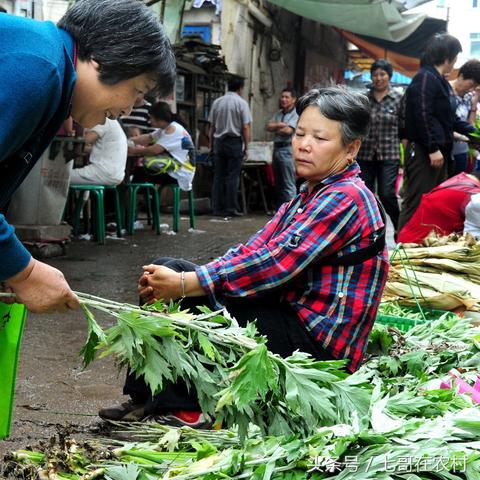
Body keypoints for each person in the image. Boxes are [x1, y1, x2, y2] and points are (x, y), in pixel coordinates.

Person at [99, 86, 389, 426]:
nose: (304, 145)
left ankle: (184, 408)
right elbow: (253, 249)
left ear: (351, 148)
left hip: (319, 345)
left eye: (320, 138)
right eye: (299, 134)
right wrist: (184, 278)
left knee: (190, 292)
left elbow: (275, 264)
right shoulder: (308, 195)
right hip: (289, 314)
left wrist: (190, 284)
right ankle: (148, 394)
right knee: (165, 271)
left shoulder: (346, 197)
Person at [0, 0, 175, 313]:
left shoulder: (55, 75)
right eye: (138, 90)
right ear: (104, 60)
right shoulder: (40, 67)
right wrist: (23, 270)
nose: (131, 108)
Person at [398, 33, 475, 231]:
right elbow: (421, 113)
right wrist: (432, 148)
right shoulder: (425, 77)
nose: (454, 63)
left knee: (433, 202)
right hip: (426, 153)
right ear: (448, 58)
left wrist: (473, 133)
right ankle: (402, 249)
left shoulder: (438, 79)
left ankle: (420, 246)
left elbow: (449, 118)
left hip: (439, 153)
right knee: (416, 201)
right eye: (455, 58)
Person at [356, 59, 403, 233]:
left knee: (387, 193)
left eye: (382, 74)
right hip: (365, 154)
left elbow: (404, 128)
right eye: (375, 74)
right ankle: (372, 230)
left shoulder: (398, 98)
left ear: (389, 76)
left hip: (389, 153)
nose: (378, 78)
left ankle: (399, 227)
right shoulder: (363, 99)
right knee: (366, 195)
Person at [127, 102, 196, 192]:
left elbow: (154, 150)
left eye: (151, 118)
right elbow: (148, 138)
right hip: (179, 171)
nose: (149, 121)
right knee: (143, 172)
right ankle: (149, 201)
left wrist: (132, 151)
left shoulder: (172, 130)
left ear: (158, 118)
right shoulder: (167, 128)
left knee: (140, 172)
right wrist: (127, 140)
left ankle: (146, 202)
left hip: (180, 174)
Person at [209, 76, 252, 217]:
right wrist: (246, 147)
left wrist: (211, 146)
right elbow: (245, 127)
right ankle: (230, 208)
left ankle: (216, 208)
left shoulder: (217, 102)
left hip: (219, 142)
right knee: (233, 177)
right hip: (234, 142)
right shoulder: (241, 103)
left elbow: (212, 127)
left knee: (218, 176)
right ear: (240, 88)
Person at [397, 172, 480, 243]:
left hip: (410, 240)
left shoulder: (464, 179)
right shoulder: (475, 198)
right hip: (419, 248)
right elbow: (474, 238)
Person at [266, 88, 299, 207]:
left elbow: (288, 131)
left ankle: (292, 212)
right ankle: (281, 212)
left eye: (287, 97)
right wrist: (280, 125)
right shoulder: (279, 114)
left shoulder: (296, 114)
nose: (283, 99)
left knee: (288, 183)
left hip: (288, 150)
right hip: (277, 149)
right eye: (282, 97)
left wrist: (276, 128)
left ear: (293, 100)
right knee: (278, 184)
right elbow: (268, 126)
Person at [70, 119, 127, 186]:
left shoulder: (105, 121)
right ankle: (84, 196)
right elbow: (89, 148)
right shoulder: (114, 124)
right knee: (84, 176)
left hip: (103, 172)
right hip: (117, 176)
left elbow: (83, 142)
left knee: (62, 176)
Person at [450, 60, 480, 176]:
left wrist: (473, 106)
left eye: (475, 87)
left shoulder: (468, 96)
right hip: (445, 151)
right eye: (471, 85)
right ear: (461, 76)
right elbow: (444, 123)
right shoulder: (444, 92)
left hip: (462, 151)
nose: (472, 89)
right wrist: (463, 137)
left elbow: (469, 125)